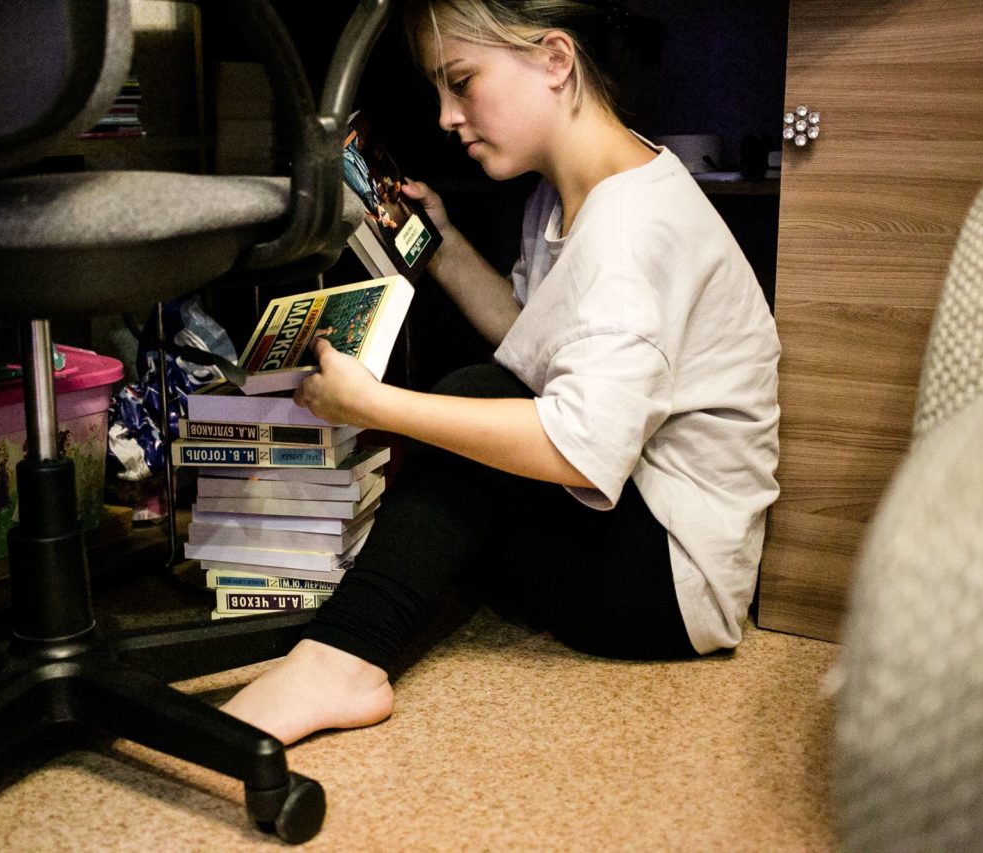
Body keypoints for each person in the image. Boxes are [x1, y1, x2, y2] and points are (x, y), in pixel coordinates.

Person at [220, 0, 780, 746]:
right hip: (634, 529)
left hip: (670, 588)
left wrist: (375, 405)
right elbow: (537, 342)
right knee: (477, 417)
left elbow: (578, 446)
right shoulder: (572, 191)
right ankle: (359, 619)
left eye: (462, 82)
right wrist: (442, 244)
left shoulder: (632, 231)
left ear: (555, 61)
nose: (447, 116)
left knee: (472, 397)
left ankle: (342, 659)